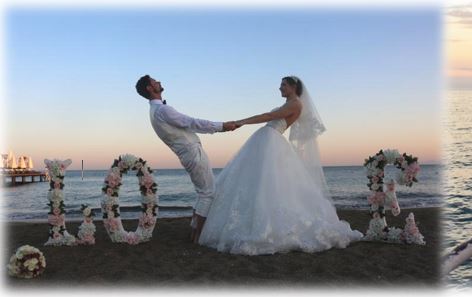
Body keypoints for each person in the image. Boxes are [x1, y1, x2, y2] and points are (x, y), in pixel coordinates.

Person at [198, 76, 362, 255]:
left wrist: (241, 122)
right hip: (266, 139)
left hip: (271, 141)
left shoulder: (296, 104)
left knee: (268, 183)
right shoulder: (290, 103)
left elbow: (268, 116)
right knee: (256, 182)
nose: (280, 88)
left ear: (293, 86)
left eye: (283, 85)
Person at [136, 75, 240, 243]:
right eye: (154, 81)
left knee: (202, 193)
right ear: (149, 88)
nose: (158, 82)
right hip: (191, 152)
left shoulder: (155, 111)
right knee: (208, 194)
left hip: (187, 153)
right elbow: (191, 122)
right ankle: (199, 236)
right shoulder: (162, 110)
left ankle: (194, 231)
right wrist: (222, 126)